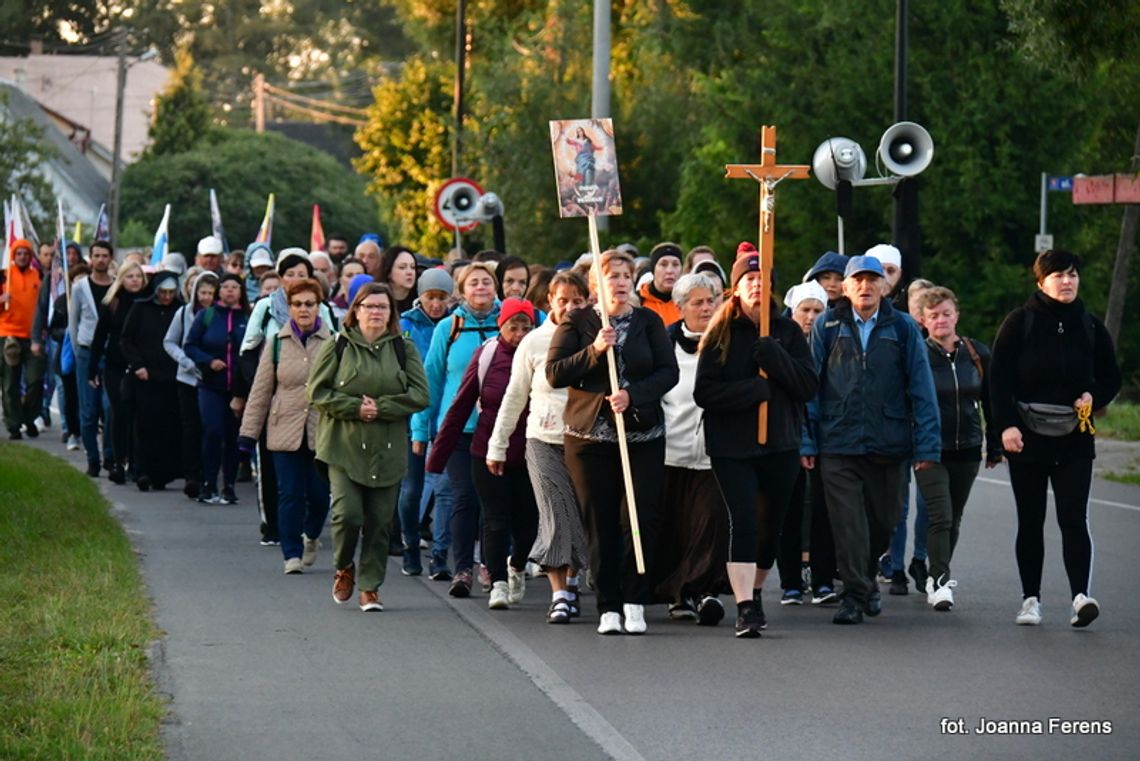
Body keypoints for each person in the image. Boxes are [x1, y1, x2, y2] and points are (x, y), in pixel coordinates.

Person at [801, 254, 940, 626]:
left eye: (871, 280)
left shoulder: (904, 328)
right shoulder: (828, 325)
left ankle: (864, 580)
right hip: (838, 442)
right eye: (857, 280)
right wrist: (807, 441)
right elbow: (810, 388)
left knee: (884, 522)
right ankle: (854, 595)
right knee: (848, 524)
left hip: (889, 442)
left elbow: (922, 388)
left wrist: (927, 445)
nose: (864, 286)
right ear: (845, 288)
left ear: (884, 286)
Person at [547, 249, 679, 635]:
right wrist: (595, 351)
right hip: (589, 440)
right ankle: (608, 605)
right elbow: (555, 373)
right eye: (611, 276)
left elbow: (667, 371)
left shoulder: (648, 322)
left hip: (642, 436)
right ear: (595, 286)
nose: (620, 282)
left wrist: (634, 395)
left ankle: (636, 599)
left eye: (625, 275)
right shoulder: (577, 322)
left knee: (638, 519)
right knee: (600, 522)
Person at [990, 249, 1121, 628]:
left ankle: (1081, 597)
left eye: (1072, 274)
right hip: (1027, 436)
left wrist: (1094, 396)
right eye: (1058, 275)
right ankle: (1030, 600)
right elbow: (998, 380)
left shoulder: (1091, 326)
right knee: (1030, 520)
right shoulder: (1020, 322)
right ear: (1040, 281)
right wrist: (1006, 427)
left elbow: (1112, 377)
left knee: (1074, 519)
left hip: (1076, 436)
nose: (1067, 281)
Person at [695, 257, 818, 637]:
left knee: (771, 528)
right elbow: (705, 392)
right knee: (744, 520)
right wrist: (753, 390)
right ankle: (745, 605)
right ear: (737, 286)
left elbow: (808, 385)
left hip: (780, 443)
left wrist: (774, 357)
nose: (756, 283)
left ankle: (758, 588)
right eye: (749, 277)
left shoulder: (788, 332)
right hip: (733, 447)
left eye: (763, 277)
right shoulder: (720, 333)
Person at [309, 282, 429, 611]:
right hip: (343, 446)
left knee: (379, 521)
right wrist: (355, 408)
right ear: (356, 311)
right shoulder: (338, 345)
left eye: (382, 307)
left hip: (387, 448)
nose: (375, 312)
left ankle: (370, 586)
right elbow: (317, 393)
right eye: (369, 306)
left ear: (391, 313)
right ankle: (344, 566)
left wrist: (383, 408)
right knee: (347, 514)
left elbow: (421, 395)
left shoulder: (404, 348)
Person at [488, 271, 591, 623]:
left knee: (579, 513)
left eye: (577, 301)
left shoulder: (596, 336)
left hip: (587, 439)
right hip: (543, 439)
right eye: (563, 301)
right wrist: (497, 446)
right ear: (550, 302)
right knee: (554, 512)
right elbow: (514, 397)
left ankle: (573, 579)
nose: (570, 308)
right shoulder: (533, 342)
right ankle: (558, 593)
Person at [428, 298, 539, 610]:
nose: (519, 334)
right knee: (494, 519)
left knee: (528, 522)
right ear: (501, 326)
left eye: (525, 328)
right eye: (512, 327)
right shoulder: (487, 356)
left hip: (531, 452)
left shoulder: (541, 355)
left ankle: (517, 565)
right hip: (489, 450)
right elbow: (460, 406)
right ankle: (499, 584)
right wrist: (438, 456)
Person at [911, 286, 1002, 611]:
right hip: (931, 450)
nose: (941, 320)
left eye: (946, 314)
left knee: (955, 518)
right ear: (923, 320)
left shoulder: (976, 354)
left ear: (956, 316)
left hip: (968, 448)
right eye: (933, 316)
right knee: (941, 517)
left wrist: (994, 445)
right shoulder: (917, 354)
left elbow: (992, 401)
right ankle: (939, 582)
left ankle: (936, 574)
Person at [411, 262, 501, 588]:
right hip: (460, 429)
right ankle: (462, 569)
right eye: (473, 282)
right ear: (461, 291)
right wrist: (421, 429)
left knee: (494, 501)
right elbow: (431, 381)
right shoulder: (448, 327)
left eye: (486, 281)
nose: (481, 287)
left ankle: (492, 566)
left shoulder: (514, 323)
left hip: (501, 429)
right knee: (464, 496)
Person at [239, 278, 332, 575]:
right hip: (283, 429)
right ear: (289, 308)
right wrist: (247, 433)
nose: (304, 309)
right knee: (290, 493)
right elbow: (261, 390)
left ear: (319, 308)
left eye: (309, 304)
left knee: (319, 495)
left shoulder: (333, 343)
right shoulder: (276, 344)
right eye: (297, 304)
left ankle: (312, 535)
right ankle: (290, 553)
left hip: (322, 430)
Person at [654, 272, 730, 625]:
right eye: (697, 302)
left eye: (711, 300)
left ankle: (704, 591)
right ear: (680, 307)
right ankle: (677, 593)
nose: (705, 307)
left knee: (710, 523)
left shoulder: (727, 344)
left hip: (714, 453)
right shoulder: (663, 346)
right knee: (676, 527)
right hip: (671, 452)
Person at [775, 280, 838, 606]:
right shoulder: (782, 343)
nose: (812, 316)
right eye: (806, 310)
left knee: (824, 512)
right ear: (794, 311)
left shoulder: (830, 340)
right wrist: (803, 442)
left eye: (818, 310)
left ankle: (824, 579)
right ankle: (791, 582)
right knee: (790, 509)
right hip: (789, 437)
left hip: (827, 439)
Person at [397, 266, 455, 576]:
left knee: (445, 488)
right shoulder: (404, 324)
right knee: (412, 488)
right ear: (421, 296)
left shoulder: (454, 324)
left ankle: (440, 553)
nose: (436, 304)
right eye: (431, 297)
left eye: (442, 298)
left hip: (448, 413)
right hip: (414, 414)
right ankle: (409, 543)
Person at [184, 273, 250, 504]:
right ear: (219, 291)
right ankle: (209, 482)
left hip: (238, 389)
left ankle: (229, 485)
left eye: (235, 287)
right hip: (211, 385)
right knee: (212, 431)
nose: (230, 291)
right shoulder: (207, 315)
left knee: (233, 436)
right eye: (226, 287)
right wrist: (208, 361)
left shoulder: (247, 317)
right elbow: (190, 346)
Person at [119, 271, 183, 491]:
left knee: (168, 425)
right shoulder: (141, 308)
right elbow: (126, 339)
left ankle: (163, 473)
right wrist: (138, 365)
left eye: (170, 293)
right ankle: (142, 470)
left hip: (172, 376)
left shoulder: (180, 310)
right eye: (162, 292)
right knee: (145, 425)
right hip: (145, 376)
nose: (166, 297)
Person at [89, 260, 148, 483]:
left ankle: (136, 462)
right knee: (119, 411)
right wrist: (92, 370)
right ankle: (118, 460)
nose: (134, 280)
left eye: (138, 276)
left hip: (140, 366)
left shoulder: (147, 302)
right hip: (115, 366)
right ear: (121, 279)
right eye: (130, 276)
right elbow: (99, 337)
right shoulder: (112, 303)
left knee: (137, 414)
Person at [164, 271, 219, 499]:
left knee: (210, 428)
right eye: (202, 292)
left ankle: (210, 473)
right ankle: (192, 475)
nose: (206, 297)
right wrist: (185, 361)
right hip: (187, 378)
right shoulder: (184, 312)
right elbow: (170, 341)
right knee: (190, 428)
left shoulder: (219, 316)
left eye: (210, 293)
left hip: (212, 379)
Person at [69, 240, 116, 476]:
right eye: (96, 255)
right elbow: (73, 320)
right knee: (88, 410)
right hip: (87, 351)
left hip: (110, 353)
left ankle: (109, 454)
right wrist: (79, 348)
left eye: (104, 255)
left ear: (110, 258)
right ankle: (92, 458)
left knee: (110, 407)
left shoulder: (117, 287)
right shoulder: (80, 288)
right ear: (90, 258)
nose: (100, 259)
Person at [0, 239, 46, 439]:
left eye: (26, 254)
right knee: (10, 382)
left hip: (33, 336)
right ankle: (14, 425)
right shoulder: (3, 277)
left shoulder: (39, 276)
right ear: (13, 255)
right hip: (8, 335)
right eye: (18, 254)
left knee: (35, 380)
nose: (22, 257)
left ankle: (30, 417)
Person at [636, 242, 683, 326]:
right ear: (653, 269)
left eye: (675, 265)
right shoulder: (638, 302)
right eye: (663, 264)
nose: (670, 271)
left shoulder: (689, 301)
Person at [377, 245, 418, 314]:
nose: (409, 272)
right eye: (402, 267)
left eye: (412, 267)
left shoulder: (421, 300)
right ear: (389, 272)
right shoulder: (377, 299)